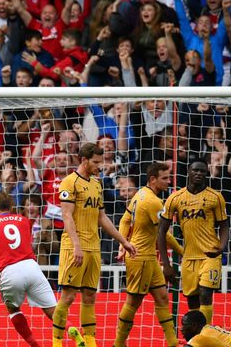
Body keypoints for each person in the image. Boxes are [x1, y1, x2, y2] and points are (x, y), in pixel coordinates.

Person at [51, 143, 136, 347]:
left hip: (93, 247)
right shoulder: (69, 182)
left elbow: (102, 217)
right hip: (74, 247)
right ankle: (56, 342)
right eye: (97, 162)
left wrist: (124, 241)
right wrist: (76, 245)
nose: (101, 166)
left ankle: (90, 342)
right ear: (84, 160)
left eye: (102, 161)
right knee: (69, 296)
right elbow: (67, 216)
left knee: (90, 296)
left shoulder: (97, 184)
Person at [0, 192, 57, 347]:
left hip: (10, 271)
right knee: (53, 311)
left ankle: (35, 344)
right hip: (32, 267)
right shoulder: (24, 221)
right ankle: (73, 330)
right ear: (12, 207)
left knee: (13, 309)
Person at [114, 162, 183, 347]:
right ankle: (118, 343)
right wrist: (182, 251)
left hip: (147, 257)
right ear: (153, 179)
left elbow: (124, 220)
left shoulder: (141, 193)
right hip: (141, 258)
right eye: (165, 178)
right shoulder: (153, 202)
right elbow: (164, 234)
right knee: (133, 302)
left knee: (162, 297)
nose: (168, 181)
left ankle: (173, 343)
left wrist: (123, 243)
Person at [158, 160, 229, 326]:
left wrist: (221, 247)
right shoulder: (175, 198)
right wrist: (166, 264)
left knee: (205, 294)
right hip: (189, 257)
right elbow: (161, 231)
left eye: (203, 171)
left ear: (206, 174)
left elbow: (224, 226)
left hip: (210, 255)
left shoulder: (216, 197)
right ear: (189, 172)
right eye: (196, 170)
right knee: (192, 301)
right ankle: (195, 336)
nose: (199, 174)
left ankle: (205, 335)